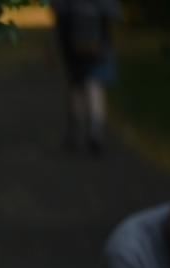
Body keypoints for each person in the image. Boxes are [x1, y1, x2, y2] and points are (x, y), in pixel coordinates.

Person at [51, 0, 120, 154]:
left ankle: (74, 134)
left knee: (76, 87)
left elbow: (58, 12)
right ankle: (95, 132)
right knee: (94, 87)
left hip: (71, 42)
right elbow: (112, 14)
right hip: (100, 43)